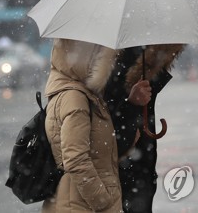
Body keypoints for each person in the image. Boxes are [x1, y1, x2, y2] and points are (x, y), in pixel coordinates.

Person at [42, 39, 152, 213]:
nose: (101, 62)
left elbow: (103, 152)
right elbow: (75, 160)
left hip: (82, 202)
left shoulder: (84, 95)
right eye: (95, 54)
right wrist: (103, 201)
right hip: (82, 205)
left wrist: (131, 107)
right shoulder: (75, 98)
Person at [104, 44, 186, 213]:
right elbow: (102, 116)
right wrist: (130, 104)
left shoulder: (147, 58)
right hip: (114, 167)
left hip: (139, 166)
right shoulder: (105, 63)